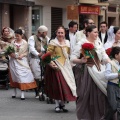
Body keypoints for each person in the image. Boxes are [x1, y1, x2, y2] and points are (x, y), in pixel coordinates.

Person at [70, 25, 111, 120]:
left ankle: (98, 116)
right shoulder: (81, 43)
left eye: (97, 32)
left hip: (99, 70)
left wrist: (112, 64)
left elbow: (104, 57)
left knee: (99, 95)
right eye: (95, 32)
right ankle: (86, 116)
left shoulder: (98, 43)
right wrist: (81, 61)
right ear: (88, 33)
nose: (97, 34)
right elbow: (72, 58)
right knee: (86, 95)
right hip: (86, 73)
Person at [44, 26, 77, 113]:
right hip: (56, 65)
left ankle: (62, 104)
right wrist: (52, 64)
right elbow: (48, 54)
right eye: (58, 32)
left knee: (65, 85)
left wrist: (71, 64)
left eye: (62, 33)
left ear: (64, 33)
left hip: (65, 66)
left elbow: (69, 54)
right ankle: (56, 105)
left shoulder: (67, 42)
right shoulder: (53, 42)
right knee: (57, 86)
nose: (60, 34)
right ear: (56, 33)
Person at [9, 29, 37, 100]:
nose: (16, 37)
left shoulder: (25, 43)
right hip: (13, 61)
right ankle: (14, 91)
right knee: (14, 76)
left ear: (21, 35)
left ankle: (22, 93)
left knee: (22, 77)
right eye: (15, 36)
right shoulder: (12, 42)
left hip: (22, 61)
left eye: (18, 36)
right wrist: (12, 54)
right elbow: (9, 51)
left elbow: (26, 52)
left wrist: (22, 55)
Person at [28, 25, 49, 98]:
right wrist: (38, 54)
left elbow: (49, 47)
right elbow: (31, 48)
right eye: (45, 33)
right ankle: (37, 91)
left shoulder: (47, 38)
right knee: (37, 75)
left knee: (44, 75)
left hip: (44, 59)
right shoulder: (32, 38)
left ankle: (41, 90)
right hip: (35, 58)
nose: (46, 34)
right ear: (41, 32)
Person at [104, 47, 120, 120]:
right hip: (112, 86)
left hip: (118, 87)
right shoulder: (110, 63)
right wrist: (117, 75)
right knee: (113, 107)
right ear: (116, 55)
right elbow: (107, 76)